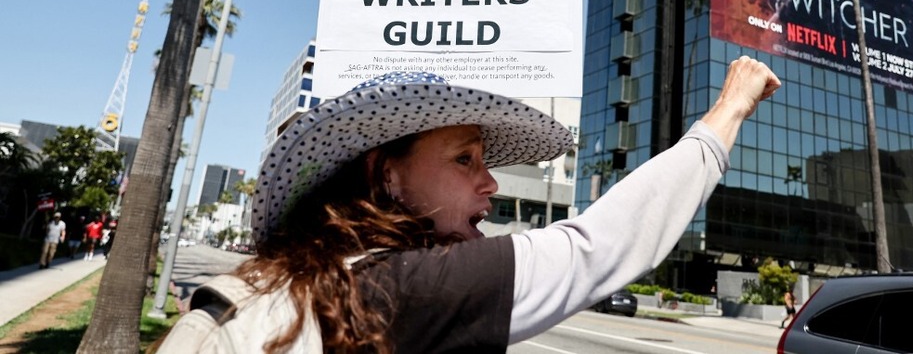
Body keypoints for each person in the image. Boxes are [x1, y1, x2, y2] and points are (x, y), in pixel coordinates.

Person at [157, 57, 780, 353]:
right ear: (387, 176)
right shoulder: (398, 290)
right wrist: (728, 112)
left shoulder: (297, 281)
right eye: (465, 159)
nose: (492, 184)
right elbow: (600, 247)